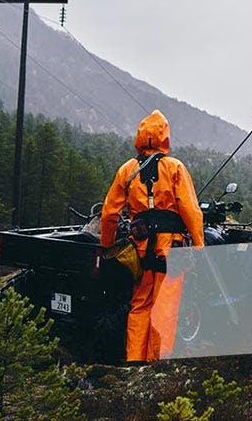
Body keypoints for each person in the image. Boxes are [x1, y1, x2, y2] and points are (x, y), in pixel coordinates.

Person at [100, 109, 204, 362]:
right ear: (164, 137)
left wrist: (107, 246)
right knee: (164, 308)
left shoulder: (127, 170)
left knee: (140, 306)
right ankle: (156, 365)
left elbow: (109, 214)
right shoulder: (175, 168)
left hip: (140, 250)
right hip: (171, 250)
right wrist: (199, 246)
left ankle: (135, 361)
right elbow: (191, 211)